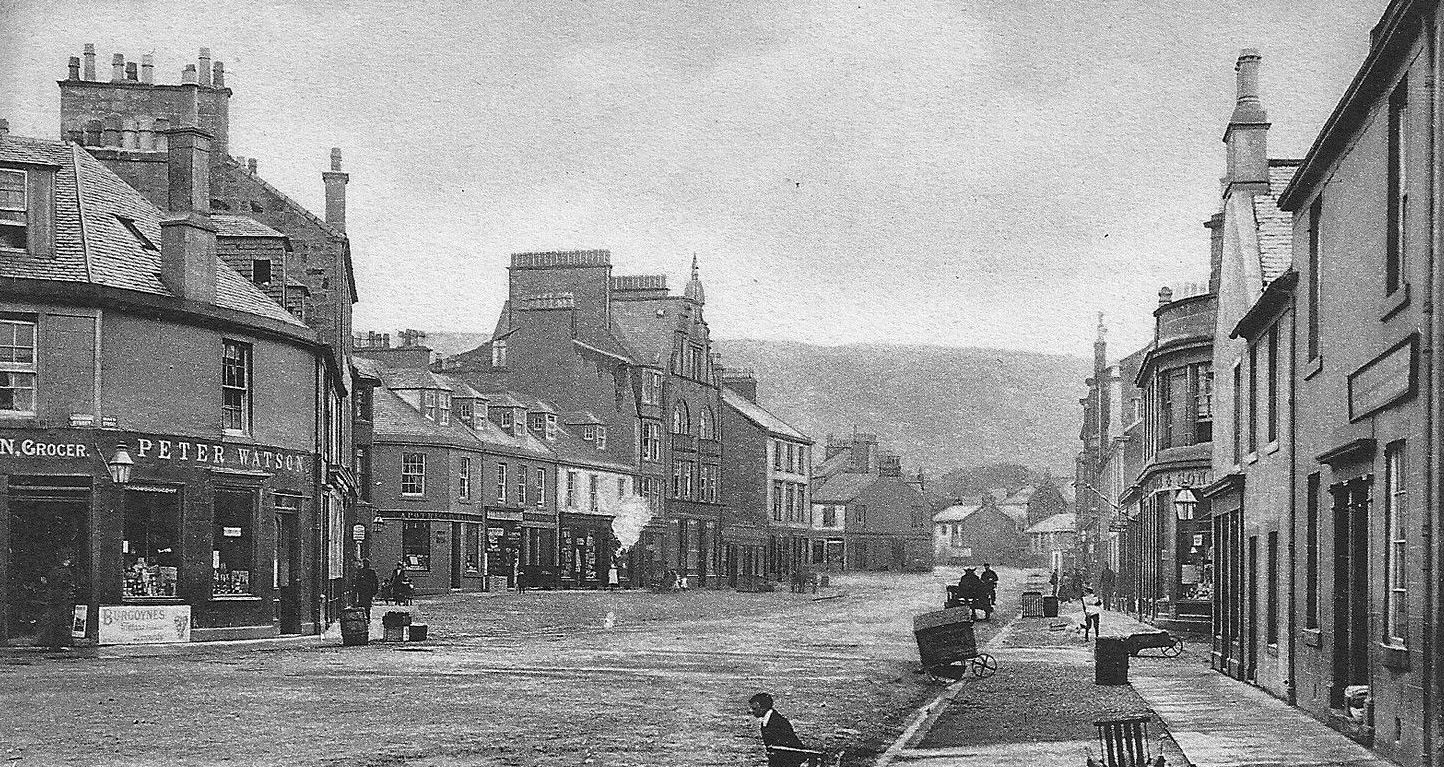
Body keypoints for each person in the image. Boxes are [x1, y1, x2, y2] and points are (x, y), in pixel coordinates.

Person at [749, 692, 811, 767]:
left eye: (754, 708)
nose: (751, 711)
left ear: (763, 708)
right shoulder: (770, 719)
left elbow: (788, 745)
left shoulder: (776, 721)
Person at [38, 552, 77, 651]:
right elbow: (68, 586)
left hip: (53, 598)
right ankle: (64, 642)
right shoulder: (66, 572)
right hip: (63, 599)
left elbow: (46, 582)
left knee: (52, 620)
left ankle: (49, 642)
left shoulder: (53, 571)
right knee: (63, 621)